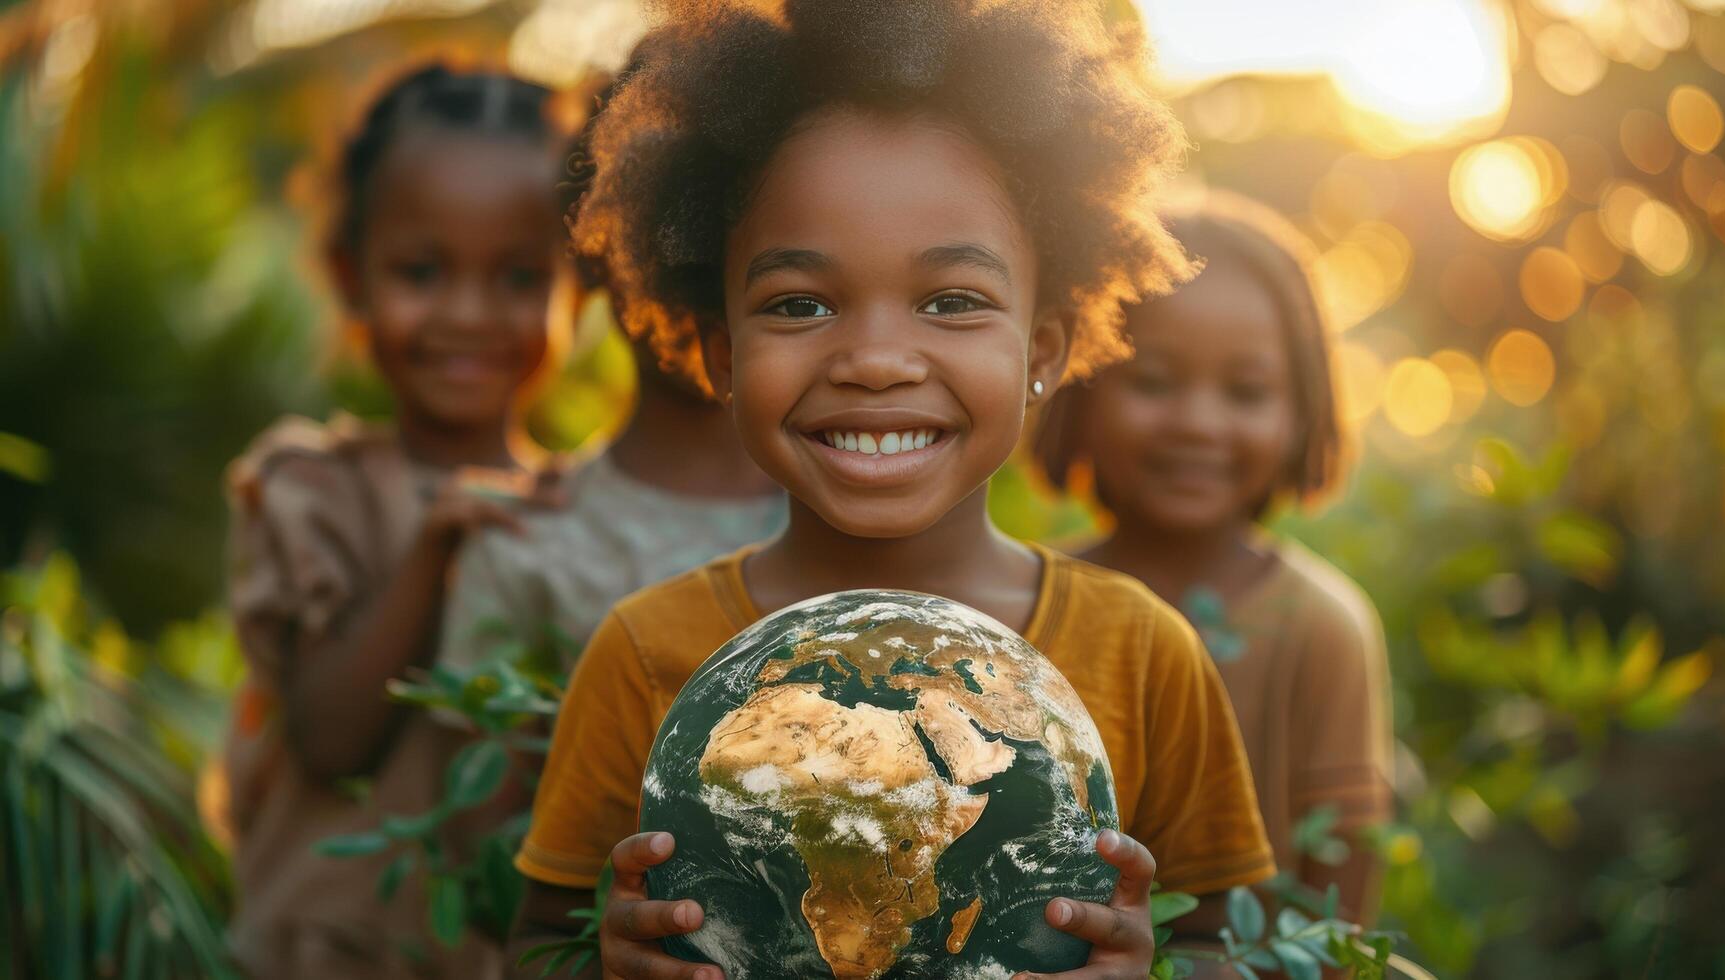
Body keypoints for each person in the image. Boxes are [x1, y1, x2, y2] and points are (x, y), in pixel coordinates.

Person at [507, 3, 1277, 977]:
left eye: (951, 301)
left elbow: (1234, 943)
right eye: (801, 303)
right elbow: (536, 944)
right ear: (722, 355)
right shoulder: (643, 655)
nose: (874, 359)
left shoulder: (1144, 654)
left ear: (1043, 349)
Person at [222, 64, 569, 979]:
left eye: (520, 277)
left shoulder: (578, 510)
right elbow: (330, 741)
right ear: (351, 277)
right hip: (319, 953)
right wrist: (433, 547)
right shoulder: (307, 487)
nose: (466, 315)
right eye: (421, 271)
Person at [1036, 191, 1394, 923]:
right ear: (1080, 386)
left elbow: (1338, 919)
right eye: (1153, 381)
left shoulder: (1319, 625)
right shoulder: (1016, 602)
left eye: (1245, 391)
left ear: (1304, 412)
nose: (1198, 423)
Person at [435, 56, 786, 680]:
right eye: (663, 235)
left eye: (737, 238)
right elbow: (473, 763)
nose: (707, 282)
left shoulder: (866, 511)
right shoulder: (529, 543)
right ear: (590, 255)